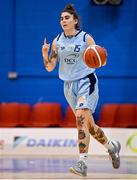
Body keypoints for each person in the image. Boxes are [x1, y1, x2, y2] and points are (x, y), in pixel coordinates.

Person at [42, 4, 121, 177]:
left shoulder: (86, 38)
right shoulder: (57, 41)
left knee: (79, 118)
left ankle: (82, 162)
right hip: (68, 86)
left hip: (86, 81)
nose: (63, 20)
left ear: (75, 20)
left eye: (67, 18)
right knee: (89, 126)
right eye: (61, 18)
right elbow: (49, 67)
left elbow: (100, 59)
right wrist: (45, 54)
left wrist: (100, 58)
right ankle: (112, 147)